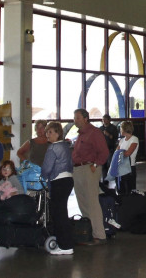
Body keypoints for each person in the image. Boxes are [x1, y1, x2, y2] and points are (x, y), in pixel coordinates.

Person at [71, 108, 109, 244]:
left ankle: (99, 234)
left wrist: (96, 165)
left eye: (77, 118)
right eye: (75, 118)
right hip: (78, 169)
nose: (75, 120)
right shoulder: (80, 134)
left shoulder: (94, 133)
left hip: (89, 168)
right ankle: (89, 231)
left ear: (85, 118)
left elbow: (104, 152)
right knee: (83, 201)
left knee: (92, 201)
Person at [41, 121, 74, 255]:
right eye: (47, 132)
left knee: (58, 215)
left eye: (50, 132)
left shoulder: (53, 148)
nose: (47, 135)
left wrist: (43, 176)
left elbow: (47, 168)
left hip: (58, 181)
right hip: (68, 180)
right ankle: (66, 243)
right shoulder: (66, 146)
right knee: (62, 213)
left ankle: (65, 246)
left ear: (57, 133)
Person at [117, 121, 139, 194]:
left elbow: (128, 153)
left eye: (121, 128)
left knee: (130, 188)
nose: (120, 130)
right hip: (121, 167)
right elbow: (116, 152)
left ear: (125, 129)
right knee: (121, 188)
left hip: (130, 167)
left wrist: (120, 152)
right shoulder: (122, 140)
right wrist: (121, 152)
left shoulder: (134, 139)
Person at [99, 114, 119, 181]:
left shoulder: (113, 128)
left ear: (109, 120)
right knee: (103, 165)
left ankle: (113, 178)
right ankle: (105, 180)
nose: (104, 121)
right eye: (103, 120)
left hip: (110, 148)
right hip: (102, 150)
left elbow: (115, 138)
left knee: (110, 164)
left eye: (105, 119)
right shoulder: (100, 128)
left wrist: (108, 134)